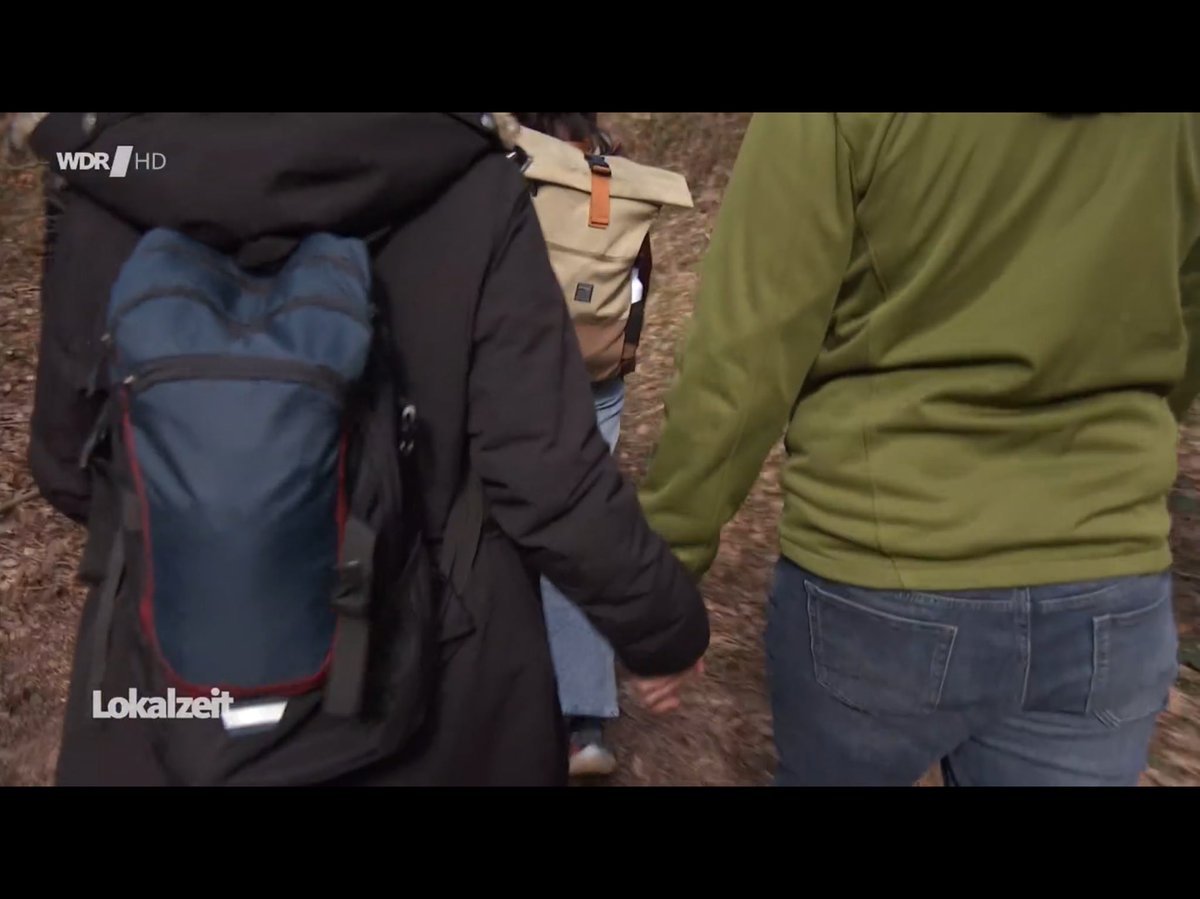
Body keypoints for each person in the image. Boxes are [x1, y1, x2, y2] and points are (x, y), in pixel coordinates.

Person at [13, 111, 709, 786]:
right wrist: (661, 629)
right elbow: (548, 474)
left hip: (166, 691)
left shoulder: (105, 174)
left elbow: (68, 465)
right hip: (442, 692)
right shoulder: (467, 171)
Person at [639, 113, 1199, 786]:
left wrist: (662, 574)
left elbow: (744, 359)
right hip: (1108, 582)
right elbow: (1185, 312)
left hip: (884, 572)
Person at [511, 112, 663, 776]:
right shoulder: (610, 172)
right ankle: (585, 725)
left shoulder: (508, 170)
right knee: (579, 530)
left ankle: (506, 700)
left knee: (497, 531)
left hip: (514, 378)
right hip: (597, 383)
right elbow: (639, 283)